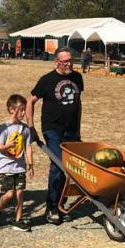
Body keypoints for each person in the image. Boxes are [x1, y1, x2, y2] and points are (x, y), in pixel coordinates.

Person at [26, 47, 84, 225]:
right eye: (65, 61)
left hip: (71, 130)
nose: (69, 63)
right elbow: (30, 101)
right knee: (58, 167)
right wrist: (31, 127)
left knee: (72, 168)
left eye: (70, 60)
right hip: (53, 129)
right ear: (56, 62)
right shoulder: (47, 80)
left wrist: (78, 128)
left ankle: (61, 205)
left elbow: (77, 103)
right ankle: (51, 206)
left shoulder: (77, 78)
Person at [0, 94, 34, 231]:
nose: (23, 113)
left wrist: (30, 164)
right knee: (9, 194)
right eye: (20, 110)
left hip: (19, 166)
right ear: (11, 110)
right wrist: (7, 146)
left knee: (20, 193)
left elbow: (27, 147)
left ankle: (18, 220)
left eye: (24, 110)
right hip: (6, 167)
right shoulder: (4, 128)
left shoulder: (25, 129)